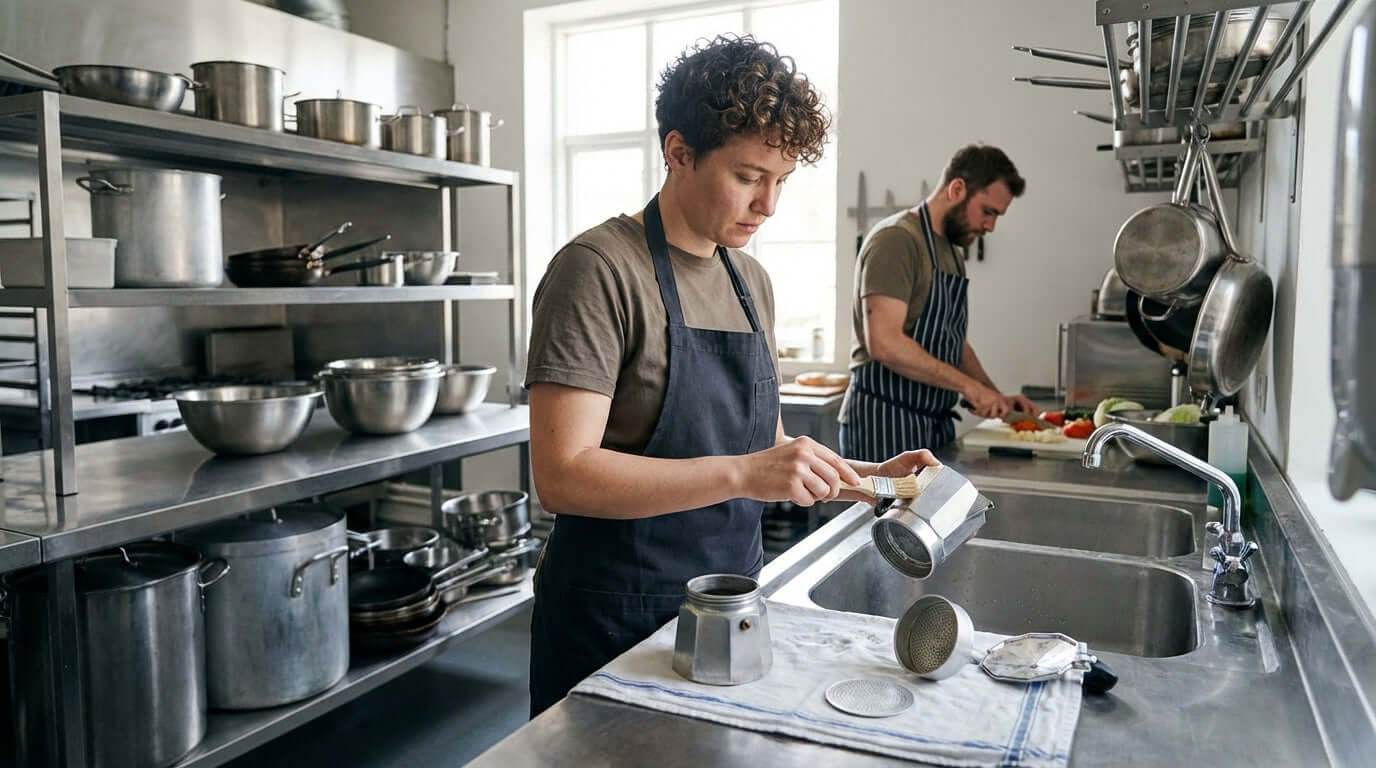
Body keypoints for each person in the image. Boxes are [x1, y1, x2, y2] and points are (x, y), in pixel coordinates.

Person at [523, 34, 939, 717]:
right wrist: (745, 474)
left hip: (729, 612)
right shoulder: (599, 269)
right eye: (748, 177)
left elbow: (765, 448)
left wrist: (873, 479)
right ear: (679, 152)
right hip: (613, 618)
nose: (768, 205)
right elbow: (563, 475)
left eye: (782, 181)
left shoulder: (751, 282)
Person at [839, 145, 1035, 463]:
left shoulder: (952, 254)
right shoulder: (897, 241)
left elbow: (952, 343)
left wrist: (994, 396)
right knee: (886, 516)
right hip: (886, 424)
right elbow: (885, 344)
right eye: (988, 211)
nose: (990, 227)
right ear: (957, 189)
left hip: (931, 427)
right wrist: (969, 388)